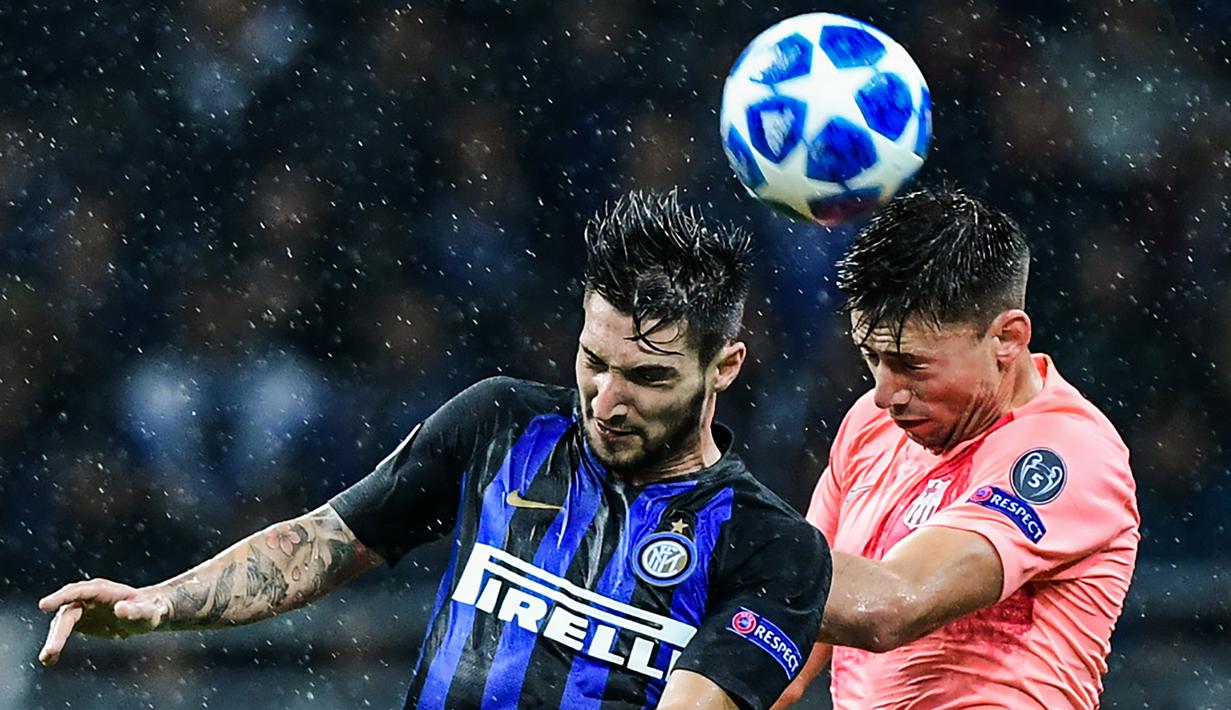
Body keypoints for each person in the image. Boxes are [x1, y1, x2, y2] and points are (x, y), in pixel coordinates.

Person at [38, 189, 832, 710]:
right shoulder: (500, 424)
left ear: (724, 365)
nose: (606, 399)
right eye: (594, 361)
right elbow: (323, 542)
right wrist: (161, 603)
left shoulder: (772, 548)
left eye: (648, 377)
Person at [775, 189, 1140, 709]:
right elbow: (781, 642)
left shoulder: (1066, 454)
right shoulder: (869, 425)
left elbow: (891, 604)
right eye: (871, 357)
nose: (885, 394)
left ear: (1007, 338)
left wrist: (725, 542)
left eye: (911, 364)